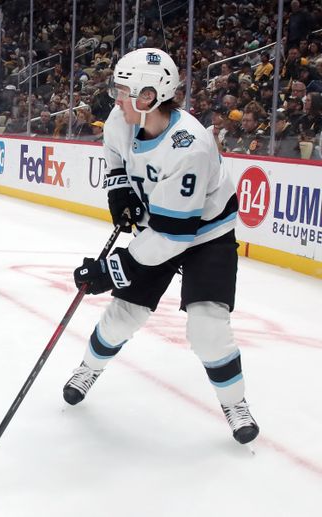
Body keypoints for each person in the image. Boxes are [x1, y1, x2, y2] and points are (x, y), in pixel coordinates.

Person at [65, 48, 259, 445]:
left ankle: (235, 403)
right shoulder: (122, 119)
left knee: (207, 328)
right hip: (163, 226)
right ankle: (88, 368)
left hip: (206, 236)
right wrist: (120, 191)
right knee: (123, 314)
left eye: (123, 91)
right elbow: (115, 155)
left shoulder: (190, 146)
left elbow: (174, 237)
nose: (115, 99)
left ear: (149, 96)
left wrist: (111, 270)